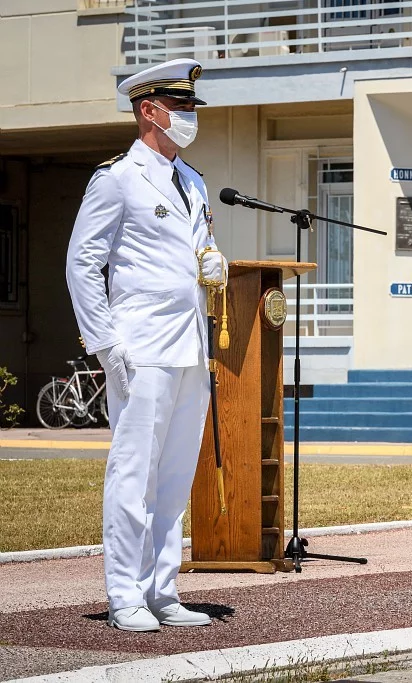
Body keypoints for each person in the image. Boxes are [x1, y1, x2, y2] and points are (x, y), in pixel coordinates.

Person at [66, 58, 224, 631]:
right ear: (148, 110)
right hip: (140, 346)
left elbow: (192, 250)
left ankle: (162, 589)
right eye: (179, 107)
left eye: (190, 108)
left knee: (176, 476)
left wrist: (212, 262)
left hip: (190, 343)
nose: (188, 117)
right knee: (134, 473)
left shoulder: (193, 181)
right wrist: (105, 342)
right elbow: (82, 262)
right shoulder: (117, 178)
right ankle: (124, 594)